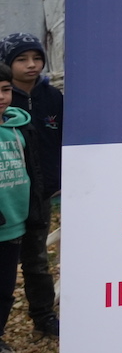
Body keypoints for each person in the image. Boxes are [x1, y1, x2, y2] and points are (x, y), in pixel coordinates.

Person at [2, 34, 59, 337]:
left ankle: (44, 315)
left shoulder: (52, 97)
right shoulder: (6, 103)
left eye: (36, 58)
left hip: (42, 195)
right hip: (9, 195)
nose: (31, 65)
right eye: (22, 59)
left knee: (37, 260)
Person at [0, 79, 38, 353]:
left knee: (5, 289)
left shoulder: (20, 126)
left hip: (14, 223)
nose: (1, 97)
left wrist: (34, 208)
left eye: (4, 89)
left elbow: (32, 169)